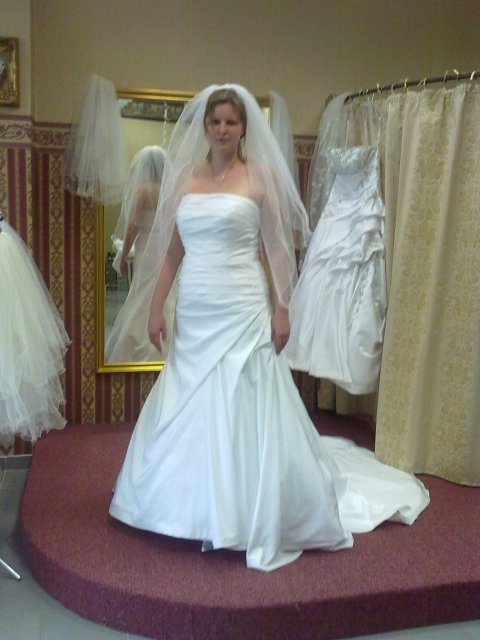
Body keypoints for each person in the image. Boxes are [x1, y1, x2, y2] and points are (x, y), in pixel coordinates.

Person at [109, 84, 429, 571]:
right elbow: (172, 252)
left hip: (242, 304)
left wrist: (282, 307)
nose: (222, 129)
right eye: (215, 121)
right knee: (190, 394)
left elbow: (276, 248)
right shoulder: (186, 178)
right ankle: (192, 503)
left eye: (230, 122)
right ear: (204, 127)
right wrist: (156, 306)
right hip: (195, 307)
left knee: (247, 395)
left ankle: (246, 506)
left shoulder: (259, 175)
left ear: (243, 128)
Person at [105, 146, 177, 363]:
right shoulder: (171, 192)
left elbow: (133, 226)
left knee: (143, 292)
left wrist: (124, 255)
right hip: (167, 248)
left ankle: (140, 342)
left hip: (146, 248)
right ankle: (170, 342)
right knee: (168, 292)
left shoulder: (142, 191)